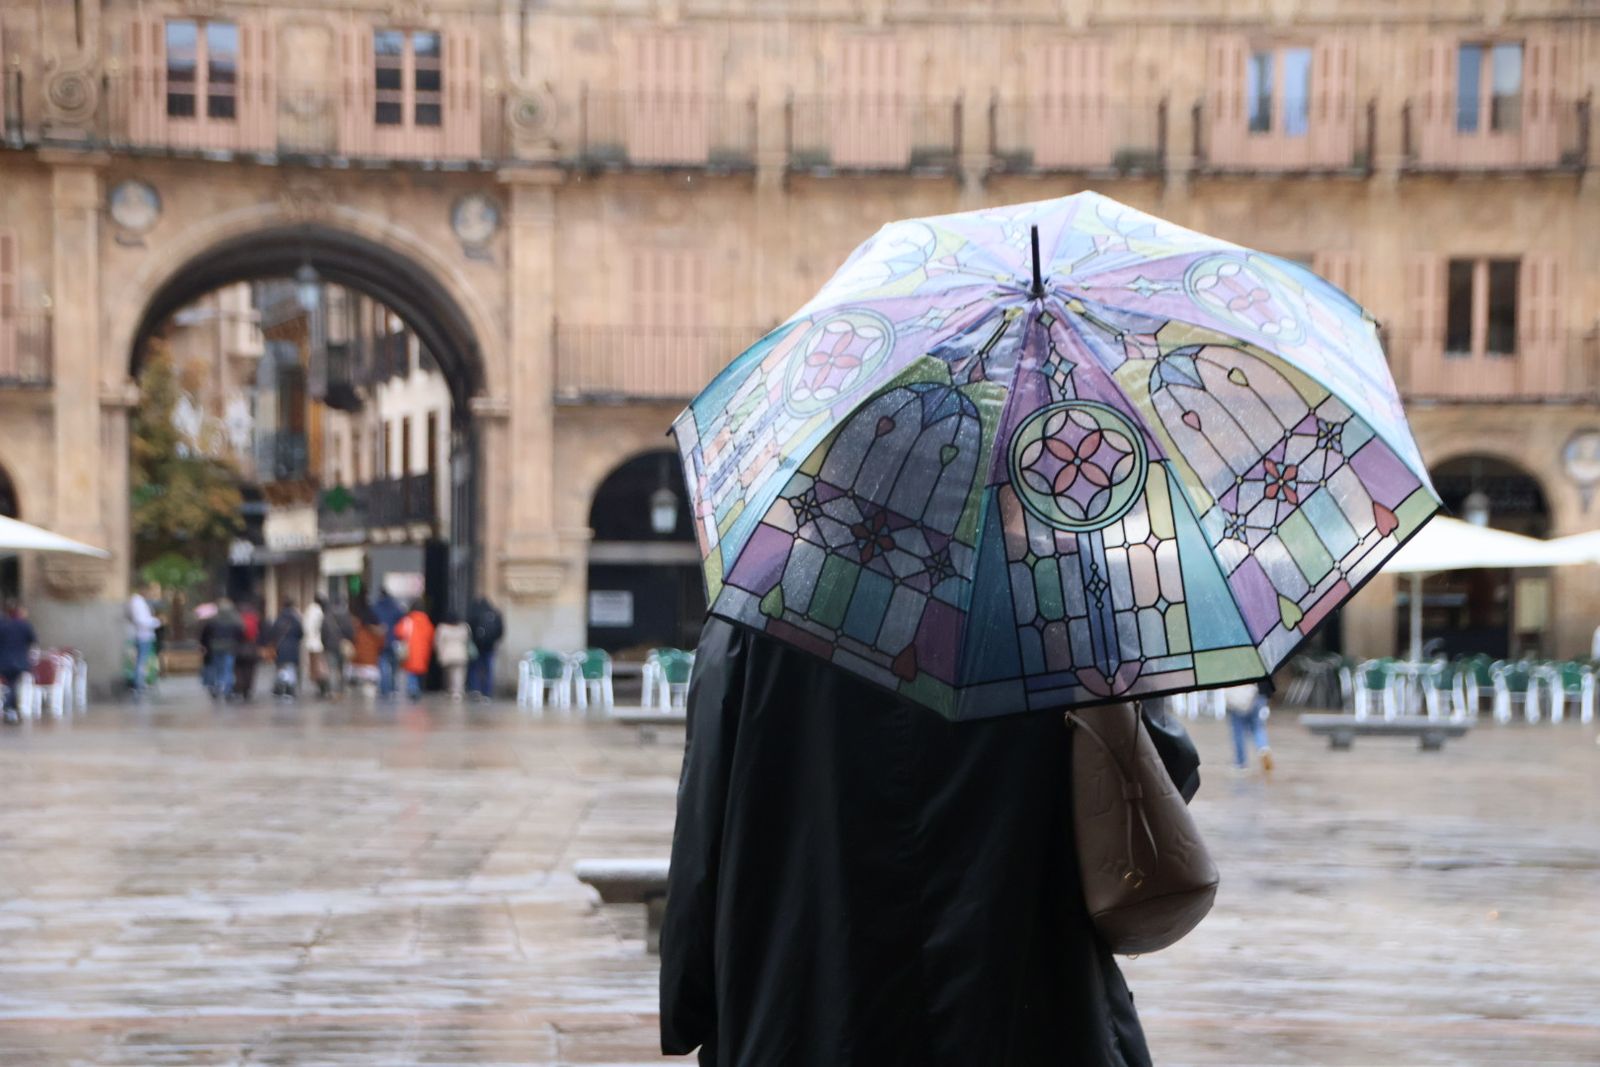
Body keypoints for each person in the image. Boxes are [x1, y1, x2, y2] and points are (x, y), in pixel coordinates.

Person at [660, 617, 1157, 1066]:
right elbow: (1155, 779)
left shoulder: (754, 615)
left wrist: (691, 1000)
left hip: (806, 1004)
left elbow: (704, 816)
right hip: (1028, 1001)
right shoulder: (1056, 602)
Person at [1223, 679, 1275, 773]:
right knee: (1258, 727)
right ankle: (1263, 747)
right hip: (1258, 694)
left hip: (1238, 695)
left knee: (1238, 731)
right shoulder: (1262, 665)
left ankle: (1241, 762)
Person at [0, 600, 38, 724]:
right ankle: (10, 708)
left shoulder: (2, 624)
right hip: (19, 660)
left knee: (11, 685)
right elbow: (33, 641)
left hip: (4, 660)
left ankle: (11, 709)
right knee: (13, 685)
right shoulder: (24, 625)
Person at [393, 601, 434, 701]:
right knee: (418, 671)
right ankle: (418, 688)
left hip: (411, 650)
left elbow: (399, 631)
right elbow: (431, 635)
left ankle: (413, 689)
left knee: (411, 671)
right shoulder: (427, 621)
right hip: (424, 650)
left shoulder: (408, 620)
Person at [126, 583, 161, 697]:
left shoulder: (138, 601)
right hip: (143, 635)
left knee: (142, 660)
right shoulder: (137, 602)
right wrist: (156, 622)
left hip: (144, 634)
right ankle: (138, 683)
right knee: (141, 660)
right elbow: (141, 620)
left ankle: (140, 682)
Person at [466, 596, 505, 701]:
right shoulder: (495, 614)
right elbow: (500, 631)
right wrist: (493, 641)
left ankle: (475, 689)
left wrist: (474, 641)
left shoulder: (475, 613)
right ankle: (487, 692)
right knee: (488, 669)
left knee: (474, 668)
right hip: (490, 647)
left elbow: (469, 629)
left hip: (477, 646)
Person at [266, 599, 305, 701]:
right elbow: (301, 633)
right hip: (293, 648)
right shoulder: (296, 619)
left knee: (282, 668)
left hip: (281, 647)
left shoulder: (279, 619)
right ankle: (289, 690)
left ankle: (280, 687)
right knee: (291, 669)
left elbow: (272, 633)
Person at [206, 599, 244, 701]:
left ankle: (218, 687)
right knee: (228, 669)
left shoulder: (214, 619)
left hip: (216, 647)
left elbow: (207, 633)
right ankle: (227, 690)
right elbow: (240, 633)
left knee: (218, 669)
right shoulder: (235, 619)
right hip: (230, 647)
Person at [349, 597, 385, 703]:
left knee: (355, 694)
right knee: (369, 692)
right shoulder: (376, 632)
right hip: (370, 664)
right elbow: (381, 643)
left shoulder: (356, 629)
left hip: (357, 662)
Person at [373, 590, 406, 700]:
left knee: (383, 665)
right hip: (394, 640)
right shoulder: (395, 607)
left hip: (381, 641)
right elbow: (402, 616)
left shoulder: (376, 607)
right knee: (393, 666)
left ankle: (384, 689)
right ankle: (392, 688)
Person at [433, 612, 471, 702]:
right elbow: (467, 640)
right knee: (458, 674)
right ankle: (457, 691)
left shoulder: (442, 628)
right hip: (460, 653)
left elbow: (438, 642)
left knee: (448, 674)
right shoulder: (464, 628)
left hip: (447, 654)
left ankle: (449, 689)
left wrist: (439, 653)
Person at [323, 597, 354, 700]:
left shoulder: (327, 617)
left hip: (330, 646)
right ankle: (341, 691)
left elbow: (323, 633)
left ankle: (333, 691)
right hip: (343, 646)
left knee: (332, 670)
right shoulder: (346, 617)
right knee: (341, 669)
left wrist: (325, 645)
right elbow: (350, 632)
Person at [234, 599, 262, 702]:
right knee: (250, 670)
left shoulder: (237, 620)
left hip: (238, 648)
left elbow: (234, 635)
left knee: (239, 670)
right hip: (251, 648)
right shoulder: (255, 619)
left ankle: (240, 686)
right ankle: (248, 689)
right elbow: (260, 634)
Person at [304, 596, 327, 699]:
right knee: (319, 667)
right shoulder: (318, 612)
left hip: (310, 643)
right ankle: (322, 688)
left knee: (314, 667)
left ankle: (319, 687)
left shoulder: (308, 610)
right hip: (318, 643)